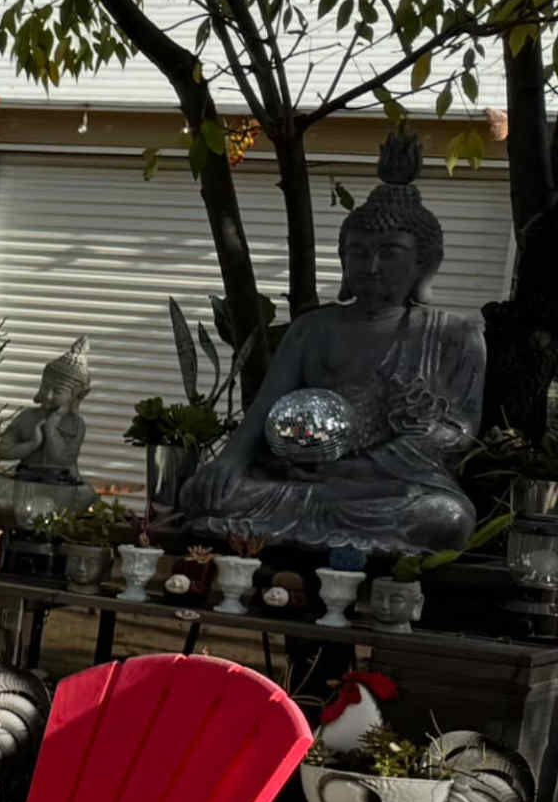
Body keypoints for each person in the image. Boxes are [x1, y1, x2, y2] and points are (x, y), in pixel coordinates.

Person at [175, 134, 481, 553]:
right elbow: (264, 408)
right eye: (358, 252)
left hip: (385, 485)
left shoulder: (454, 335)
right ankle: (336, 538)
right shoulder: (313, 328)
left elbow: (455, 432)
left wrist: (359, 467)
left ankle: (288, 536)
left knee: (447, 518)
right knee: (202, 494)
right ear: (342, 259)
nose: (371, 266)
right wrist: (230, 460)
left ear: (424, 264)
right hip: (301, 479)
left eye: (390, 253)